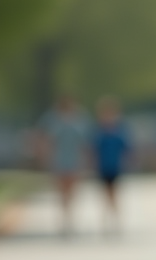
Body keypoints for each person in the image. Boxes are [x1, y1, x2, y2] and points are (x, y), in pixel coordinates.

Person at [36, 93, 91, 237]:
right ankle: (64, 219)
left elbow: (85, 141)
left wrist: (86, 159)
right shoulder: (51, 118)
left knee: (72, 190)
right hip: (58, 160)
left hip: (75, 159)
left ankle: (69, 217)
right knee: (61, 191)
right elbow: (44, 138)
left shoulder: (81, 117)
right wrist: (44, 156)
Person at [91, 95, 132, 233]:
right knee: (105, 195)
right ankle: (106, 221)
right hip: (103, 167)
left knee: (114, 194)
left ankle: (115, 220)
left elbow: (127, 148)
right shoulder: (99, 131)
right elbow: (93, 150)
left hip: (115, 167)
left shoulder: (119, 131)